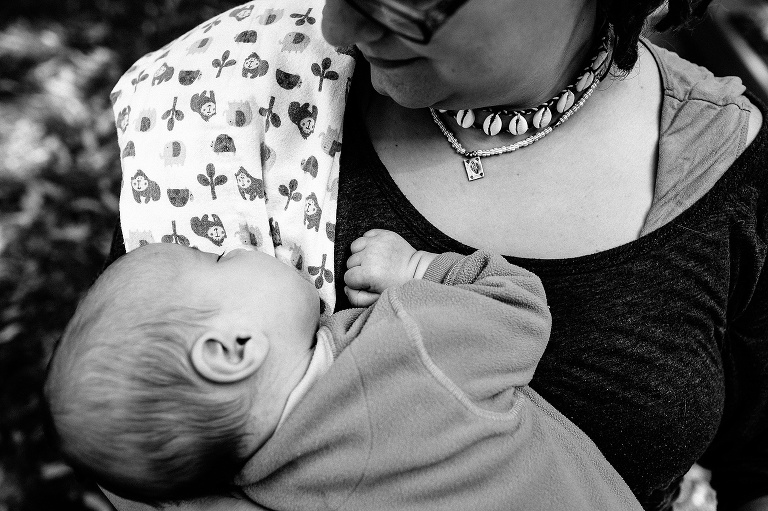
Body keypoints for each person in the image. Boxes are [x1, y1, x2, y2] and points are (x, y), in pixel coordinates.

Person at [102, 0, 768, 510]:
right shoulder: (228, 101)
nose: (334, 27)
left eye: (399, 3)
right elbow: (143, 431)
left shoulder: (731, 175)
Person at [44, 230, 644, 510]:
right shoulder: (408, 348)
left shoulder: (265, 494)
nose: (241, 246)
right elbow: (518, 306)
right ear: (231, 349)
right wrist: (416, 269)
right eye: (220, 257)